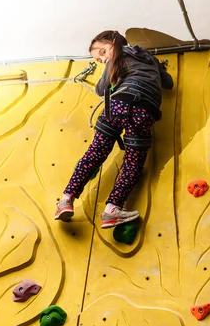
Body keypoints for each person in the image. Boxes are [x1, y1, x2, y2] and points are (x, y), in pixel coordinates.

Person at [55, 30, 173, 228]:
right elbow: (168, 84)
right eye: (99, 59)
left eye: (102, 53)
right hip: (145, 112)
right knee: (134, 163)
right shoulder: (149, 59)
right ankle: (112, 209)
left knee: (95, 153)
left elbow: (101, 90)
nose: (102, 59)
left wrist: (111, 70)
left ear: (113, 43)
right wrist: (159, 68)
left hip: (118, 105)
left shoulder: (117, 57)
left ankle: (66, 200)